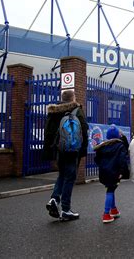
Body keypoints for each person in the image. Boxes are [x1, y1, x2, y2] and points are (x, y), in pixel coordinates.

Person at [43, 89, 89, 221]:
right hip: (73, 151)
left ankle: (54, 199)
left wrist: (50, 150)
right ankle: (66, 209)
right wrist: (82, 150)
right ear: (73, 98)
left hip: (59, 150)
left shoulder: (54, 112)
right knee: (70, 177)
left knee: (62, 175)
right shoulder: (77, 110)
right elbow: (84, 131)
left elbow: (48, 132)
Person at [94, 125, 129, 223]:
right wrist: (122, 171)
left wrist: (103, 166)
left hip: (104, 172)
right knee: (110, 190)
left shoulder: (102, 146)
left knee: (111, 188)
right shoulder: (120, 146)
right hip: (115, 172)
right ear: (117, 135)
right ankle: (106, 214)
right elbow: (122, 160)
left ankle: (113, 209)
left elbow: (97, 159)